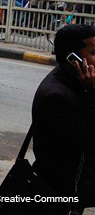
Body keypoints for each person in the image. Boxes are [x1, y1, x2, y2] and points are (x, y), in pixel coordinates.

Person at [32, 24, 95, 214]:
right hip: (60, 190)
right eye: (93, 51)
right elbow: (91, 139)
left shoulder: (78, 81)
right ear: (72, 58)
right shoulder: (55, 95)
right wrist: (93, 93)